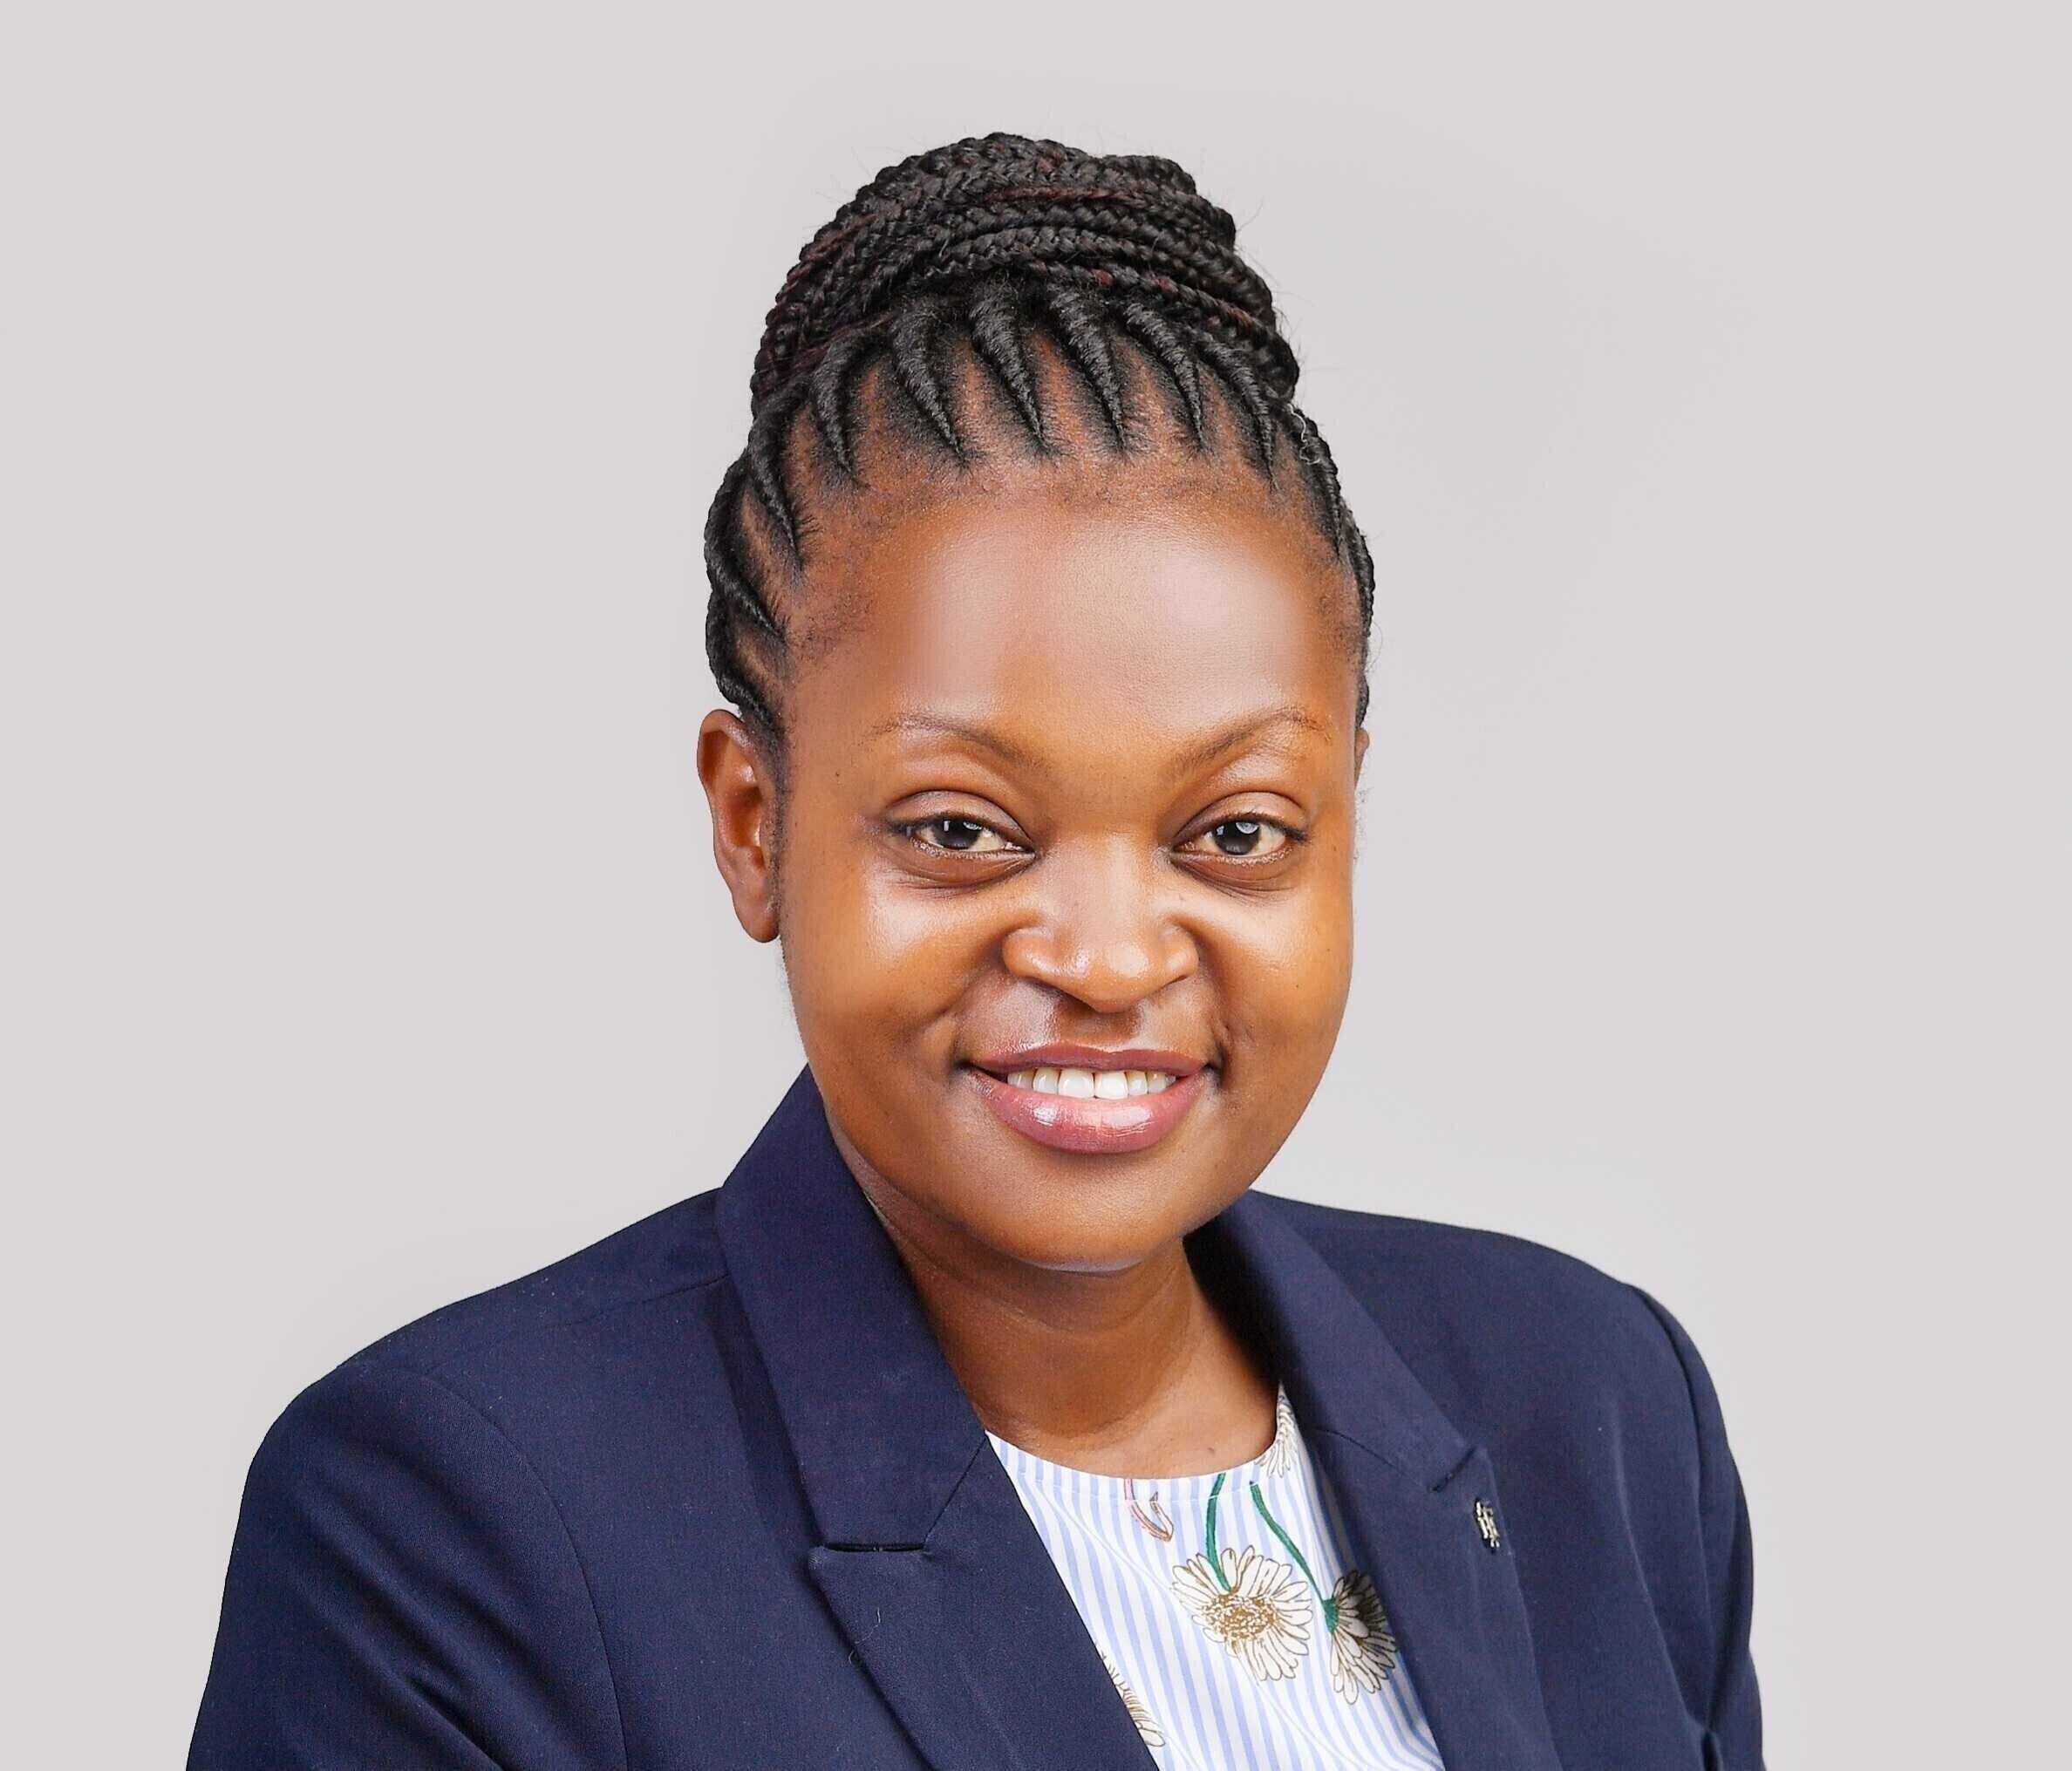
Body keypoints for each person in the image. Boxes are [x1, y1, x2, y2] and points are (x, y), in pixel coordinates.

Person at [188, 133, 1764, 1768]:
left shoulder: (1595, 1407)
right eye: (960, 828)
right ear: (754, 821)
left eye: (1235, 833)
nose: (1108, 958)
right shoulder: (456, 1524)